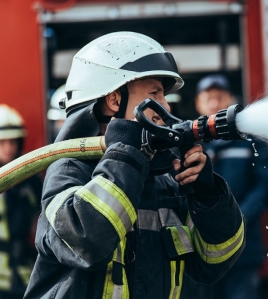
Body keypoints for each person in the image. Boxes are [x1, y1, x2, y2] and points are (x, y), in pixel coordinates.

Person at [25, 32, 245, 299]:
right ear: (114, 100)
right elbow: (87, 241)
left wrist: (208, 198)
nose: (165, 106)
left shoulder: (164, 181)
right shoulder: (70, 170)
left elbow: (214, 261)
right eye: (155, 94)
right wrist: (127, 152)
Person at [181, 74, 268, 299]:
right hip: (199, 252)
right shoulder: (188, 143)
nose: (214, 103)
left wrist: (238, 218)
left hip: (243, 252)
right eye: (208, 98)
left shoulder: (251, 142)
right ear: (198, 103)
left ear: (231, 101)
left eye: (220, 97)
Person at [0, 105, 42, 299]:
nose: (8, 148)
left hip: (27, 273)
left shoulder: (30, 180)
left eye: (12, 141)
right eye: (2, 142)